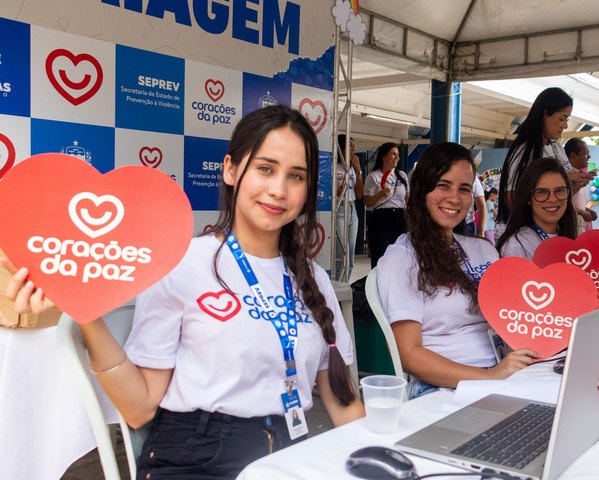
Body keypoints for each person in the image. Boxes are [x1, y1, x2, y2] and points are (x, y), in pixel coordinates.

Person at [3, 105, 364, 479]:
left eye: (296, 176)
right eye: (265, 168)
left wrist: (379, 458)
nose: (278, 189)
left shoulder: (314, 281)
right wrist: (85, 314)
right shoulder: (182, 264)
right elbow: (140, 407)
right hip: (196, 457)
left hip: (289, 453)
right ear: (230, 169)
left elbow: (343, 402)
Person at [376, 142, 539, 400]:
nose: (454, 198)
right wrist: (489, 376)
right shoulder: (403, 257)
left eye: (464, 189)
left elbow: (521, 316)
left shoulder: (484, 250)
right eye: (443, 185)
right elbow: (408, 354)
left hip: (506, 373)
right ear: (422, 189)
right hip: (444, 388)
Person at [496, 87, 594, 240]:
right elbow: (511, 198)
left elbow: (564, 196)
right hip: (529, 234)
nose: (565, 126)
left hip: (554, 232)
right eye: (562, 118)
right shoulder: (524, 151)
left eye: (567, 120)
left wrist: (575, 184)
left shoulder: (557, 149)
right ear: (544, 114)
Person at [497, 158, 578, 260]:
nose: (552, 199)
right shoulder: (516, 245)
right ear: (528, 198)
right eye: (542, 192)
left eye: (559, 190)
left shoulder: (568, 236)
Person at [363, 142, 409, 268]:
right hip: (381, 217)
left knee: (399, 254)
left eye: (398, 155)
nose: (397, 158)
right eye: (393, 154)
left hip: (400, 217)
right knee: (380, 254)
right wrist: (381, 194)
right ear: (384, 156)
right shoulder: (374, 176)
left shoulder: (402, 176)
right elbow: (367, 202)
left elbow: (407, 199)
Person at [334, 134, 363, 280]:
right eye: (349, 147)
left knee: (350, 255)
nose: (352, 151)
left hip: (352, 209)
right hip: (339, 209)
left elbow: (359, 194)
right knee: (342, 254)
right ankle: (338, 289)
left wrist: (358, 170)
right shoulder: (335, 167)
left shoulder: (352, 169)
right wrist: (343, 183)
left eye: (354, 148)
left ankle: (346, 285)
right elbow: (334, 194)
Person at [564, 138, 597, 234]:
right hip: (571, 226)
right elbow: (564, 200)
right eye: (586, 154)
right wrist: (580, 212)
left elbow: (573, 201)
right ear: (573, 156)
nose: (589, 157)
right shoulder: (564, 175)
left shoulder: (579, 175)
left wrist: (585, 209)